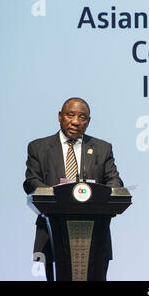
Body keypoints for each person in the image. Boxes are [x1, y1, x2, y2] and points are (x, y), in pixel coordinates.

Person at [23, 97, 124, 281]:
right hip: (53, 234)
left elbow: (114, 181)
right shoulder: (39, 148)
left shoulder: (102, 148)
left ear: (88, 121)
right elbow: (31, 182)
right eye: (70, 115)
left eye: (82, 117)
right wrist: (57, 197)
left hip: (95, 238)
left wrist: (111, 192)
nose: (76, 121)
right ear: (60, 117)